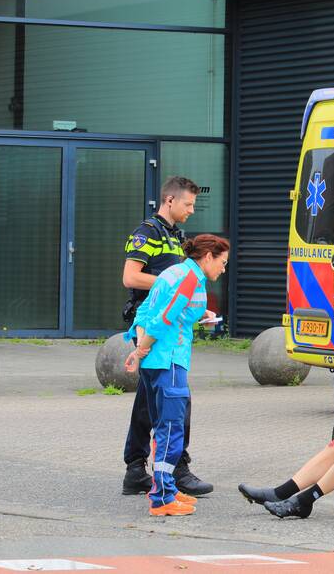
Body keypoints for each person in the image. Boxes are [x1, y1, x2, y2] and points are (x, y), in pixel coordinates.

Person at [120, 176, 214, 497]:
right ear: (169, 201)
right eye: (188, 204)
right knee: (175, 397)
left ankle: (136, 467)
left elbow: (182, 284)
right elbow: (130, 276)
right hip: (150, 325)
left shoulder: (177, 237)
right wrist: (168, 283)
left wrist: (194, 309)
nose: (191, 210)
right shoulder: (148, 233)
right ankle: (176, 468)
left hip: (169, 325)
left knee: (150, 398)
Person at [124, 234, 230, 516]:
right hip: (169, 359)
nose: (223, 268)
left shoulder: (175, 272)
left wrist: (138, 344)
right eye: (222, 262)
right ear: (208, 257)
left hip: (157, 362)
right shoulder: (190, 279)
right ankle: (162, 499)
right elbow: (165, 318)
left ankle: (167, 490)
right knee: (171, 429)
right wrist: (141, 350)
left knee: (163, 428)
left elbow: (147, 310)